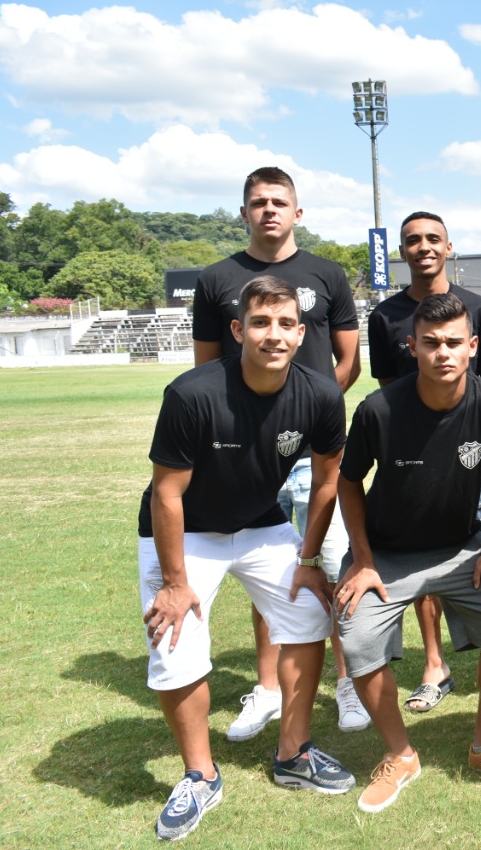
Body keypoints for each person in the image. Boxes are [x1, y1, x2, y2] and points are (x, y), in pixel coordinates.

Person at [141, 277, 355, 841]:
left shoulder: (322, 394)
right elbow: (167, 493)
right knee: (175, 642)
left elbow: (328, 481)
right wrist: (174, 582)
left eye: (286, 324)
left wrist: (309, 559)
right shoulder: (192, 393)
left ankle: (294, 753)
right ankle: (199, 775)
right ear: (238, 331)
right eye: (260, 323)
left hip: (261, 524)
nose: (273, 335)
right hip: (188, 531)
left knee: (309, 616)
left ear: (301, 332)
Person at [335, 292, 481, 813]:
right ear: (412, 347)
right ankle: (400, 755)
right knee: (355, 637)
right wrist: (362, 558)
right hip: (386, 555)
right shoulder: (379, 408)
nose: (442, 353)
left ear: (472, 346)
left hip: (461, 548)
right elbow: (348, 483)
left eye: (452, 343)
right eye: (430, 343)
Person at [191, 166, 367, 738]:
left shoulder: (326, 274)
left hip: (316, 448)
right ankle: (267, 689)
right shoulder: (217, 279)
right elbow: (206, 369)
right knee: (265, 568)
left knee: (334, 564)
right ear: (243, 212)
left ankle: (347, 684)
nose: (269, 210)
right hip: (247, 453)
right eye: (258, 202)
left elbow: (348, 362)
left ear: (298, 212)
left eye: (279, 201)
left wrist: (306, 416)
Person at [365, 211, 481, 714]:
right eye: (412, 240)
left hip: (477, 462)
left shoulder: (480, 309)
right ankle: (434, 663)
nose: (423, 247)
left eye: (433, 238)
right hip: (412, 462)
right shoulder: (386, 315)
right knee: (422, 562)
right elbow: (392, 395)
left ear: (449, 247)